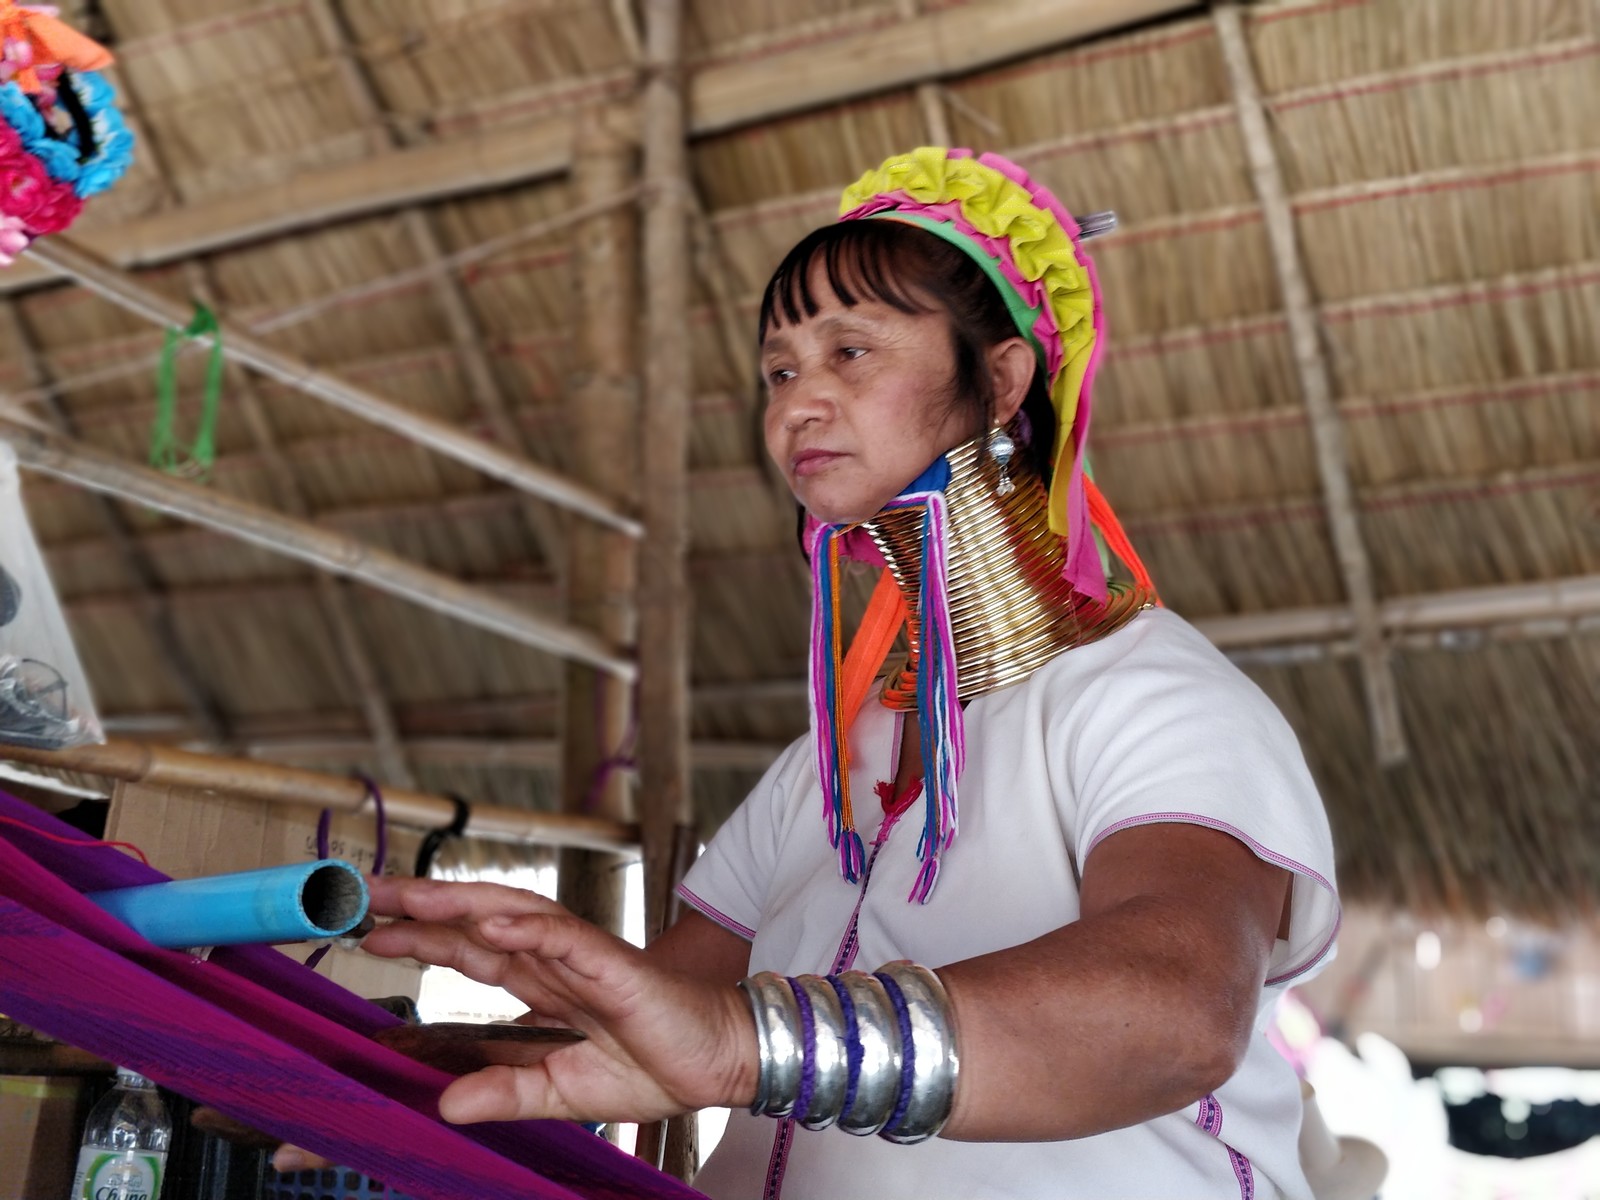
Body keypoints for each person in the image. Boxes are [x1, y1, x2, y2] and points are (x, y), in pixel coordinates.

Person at [282, 148, 1341, 1199]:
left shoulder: (1152, 699)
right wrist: (376, 1077)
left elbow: (1179, 1010)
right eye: (780, 371)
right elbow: (656, 1025)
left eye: (852, 352)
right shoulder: (824, 774)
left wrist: (749, 1048)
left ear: (1004, 376)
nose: (799, 404)